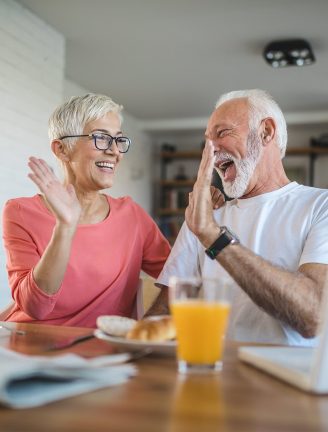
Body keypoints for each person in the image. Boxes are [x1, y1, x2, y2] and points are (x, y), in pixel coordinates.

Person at [157, 89, 328, 346]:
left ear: (266, 132)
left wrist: (214, 237)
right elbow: (163, 315)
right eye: (207, 141)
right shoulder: (204, 215)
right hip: (211, 371)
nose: (211, 151)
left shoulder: (320, 206)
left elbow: (314, 316)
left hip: (289, 380)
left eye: (222, 133)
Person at [2, 94, 172, 327]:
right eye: (101, 138)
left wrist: (147, 325)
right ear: (62, 149)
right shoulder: (20, 211)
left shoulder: (132, 216)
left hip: (103, 355)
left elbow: (182, 274)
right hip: (31, 349)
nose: (115, 152)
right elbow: (36, 308)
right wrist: (65, 227)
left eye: (118, 140)